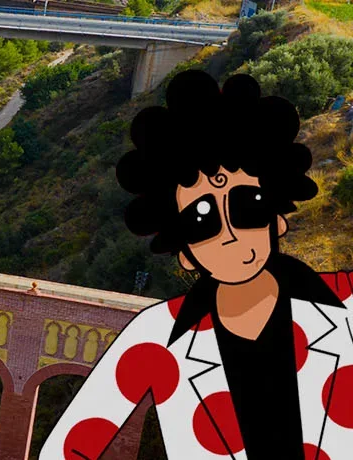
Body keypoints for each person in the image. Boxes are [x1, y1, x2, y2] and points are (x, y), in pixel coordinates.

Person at [38, 70, 353, 459]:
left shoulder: (347, 306)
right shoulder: (156, 338)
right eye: (201, 222)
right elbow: (69, 446)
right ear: (185, 253)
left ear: (277, 219)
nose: (231, 233)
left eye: (248, 206)